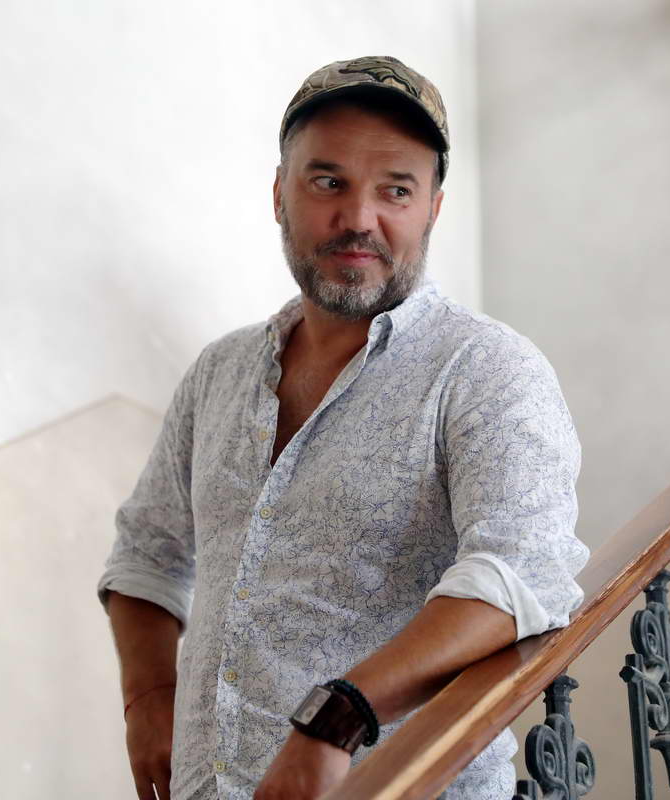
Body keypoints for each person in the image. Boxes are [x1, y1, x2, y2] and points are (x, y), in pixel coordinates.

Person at [97, 55, 591, 800]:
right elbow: (146, 554)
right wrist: (147, 699)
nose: (359, 217)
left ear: (433, 208)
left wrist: (337, 717)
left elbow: (519, 574)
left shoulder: (486, 369)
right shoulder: (219, 372)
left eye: (396, 189)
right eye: (328, 183)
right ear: (279, 195)